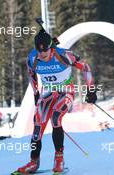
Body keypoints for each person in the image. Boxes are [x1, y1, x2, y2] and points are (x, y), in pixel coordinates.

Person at [17, 29, 97, 174]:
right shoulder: (33, 57)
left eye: (45, 52)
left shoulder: (63, 55)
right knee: (37, 127)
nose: (42, 55)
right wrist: (35, 92)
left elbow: (85, 67)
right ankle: (34, 162)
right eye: (39, 52)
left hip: (65, 91)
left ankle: (59, 159)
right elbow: (31, 74)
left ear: (51, 48)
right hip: (47, 92)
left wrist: (91, 90)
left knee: (56, 119)